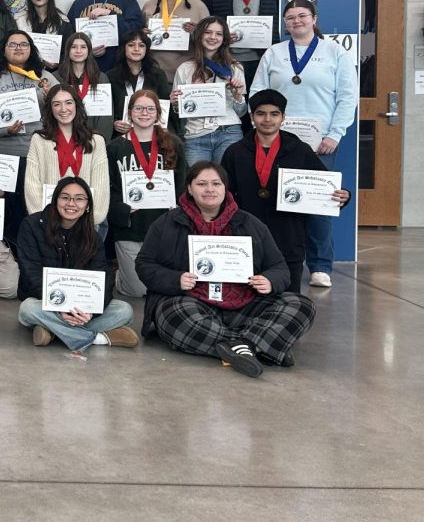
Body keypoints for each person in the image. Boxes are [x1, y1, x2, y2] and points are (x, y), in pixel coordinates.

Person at [135, 162, 316, 377]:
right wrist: (175, 279)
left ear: (225, 188)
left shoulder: (251, 223)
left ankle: (238, 347)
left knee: (301, 305)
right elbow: (144, 264)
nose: (209, 189)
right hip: (191, 301)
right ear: (190, 189)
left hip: (245, 303)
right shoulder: (166, 223)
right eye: (201, 184)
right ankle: (263, 345)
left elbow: (279, 267)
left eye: (216, 183)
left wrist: (269, 280)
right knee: (172, 315)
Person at [250, 0, 357, 289]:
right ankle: (280, 259)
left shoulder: (334, 52)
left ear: (314, 18)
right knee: (279, 201)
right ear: (284, 23)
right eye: (290, 18)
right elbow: (259, 91)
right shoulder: (274, 53)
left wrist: (335, 133)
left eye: (302, 16)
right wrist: (260, 127)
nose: (296, 21)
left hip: (320, 142)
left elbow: (348, 96)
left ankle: (321, 266)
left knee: (319, 203)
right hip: (278, 139)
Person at [230, 88, 353, 291]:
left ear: (283, 117)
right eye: (261, 113)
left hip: (289, 236)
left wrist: (342, 195)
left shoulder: (299, 150)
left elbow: (324, 183)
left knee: (289, 296)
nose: (267, 119)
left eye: (274, 114)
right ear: (252, 117)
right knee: (249, 294)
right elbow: (225, 193)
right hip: (247, 235)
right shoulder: (235, 152)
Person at [15, 177, 139, 351]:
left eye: (79, 199)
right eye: (65, 197)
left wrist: (91, 312)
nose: (71, 203)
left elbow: (104, 277)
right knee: (27, 309)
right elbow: (30, 273)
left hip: (82, 306)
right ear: (55, 200)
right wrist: (59, 310)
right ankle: (97, 338)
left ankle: (53, 332)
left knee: (125, 310)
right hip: (44, 301)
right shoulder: (32, 225)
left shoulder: (93, 236)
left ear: (87, 205)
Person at [107, 90, 187, 297]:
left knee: (165, 286)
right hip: (131, 226)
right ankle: (121, 276)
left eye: (150, 109)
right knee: (138, 290)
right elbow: (109, 188)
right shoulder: (115, 147)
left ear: (158, 113)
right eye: (139, 108)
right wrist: (122, 210)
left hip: (164, 225)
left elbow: (183, 183)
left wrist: (177, 205)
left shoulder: (173, 144)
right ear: (130, 112)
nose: (144, 113)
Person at [23, 85, 110, 226]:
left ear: (77, 105)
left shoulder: (96, 141)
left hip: (87, 224)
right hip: (49, 223)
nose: (63, 109)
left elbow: (101, 186)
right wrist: (43, 218)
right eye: (57, 104)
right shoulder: (39, 140)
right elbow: (32, 184)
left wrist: (92, 219)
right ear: (50, 109)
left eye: (68, 102)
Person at [172, 16, 247, 166]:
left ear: (224, 38)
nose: (213, 37)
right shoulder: (184, 69)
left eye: (218, 34)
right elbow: (180, 111)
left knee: (225, 182)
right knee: (197, 182)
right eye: (208, 32)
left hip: (228, 132)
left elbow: (241, 112)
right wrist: (175, 102)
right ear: (199, 35)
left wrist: (237, 94)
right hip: (196, 135)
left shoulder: (235, 68)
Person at [0, 29, 57, 159]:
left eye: (24, 44)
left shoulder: (45, 77)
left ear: (31, 49)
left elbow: (65, 109)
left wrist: (52, 99)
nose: (18, 48)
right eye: (12, 45)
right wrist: (5, 129)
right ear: (3, 51)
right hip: (3, 149)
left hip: (41, 148)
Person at [141, 0, 207, 82]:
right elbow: (138, 41)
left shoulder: (199, 7)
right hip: (154, 73)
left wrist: (197, 33)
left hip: (188, 74)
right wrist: (142, 35)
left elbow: (210, 42)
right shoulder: (149, 6)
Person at [108, 29, 177, 139]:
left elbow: (164, 106)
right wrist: (114, 123)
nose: (136, 49)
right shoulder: (111, 76)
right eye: (131, 45)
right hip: (122, 136)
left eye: (141, 45)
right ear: (123, 48)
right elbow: (106, 110)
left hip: (152, 134)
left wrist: (173, 102)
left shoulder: (158, 75)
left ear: (146, 49)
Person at [60, 31, 114, 140]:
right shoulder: (57, 77)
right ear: (67, 50)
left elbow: (106, 115)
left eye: (83, 47)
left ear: (89, 51)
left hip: (93, 137)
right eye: (74, 47)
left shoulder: (100, 78)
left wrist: (100, 140)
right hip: (63, 138)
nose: (78, 51)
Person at [18, 0, 69, 72]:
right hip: (25, 72)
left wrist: (58, 62)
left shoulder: (62, 21)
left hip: (54, 73)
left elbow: (68, 49)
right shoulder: (19, 20)